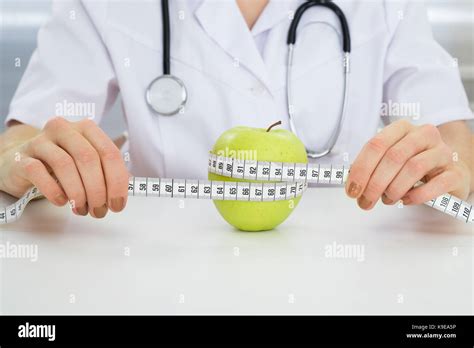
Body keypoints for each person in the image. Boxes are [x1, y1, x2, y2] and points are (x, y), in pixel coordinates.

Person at [0, 0, 472, 219]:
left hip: (346, 276)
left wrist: (446, 165)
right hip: (156, 277)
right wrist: (29, 160)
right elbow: (23, 142)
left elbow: (455, 144)